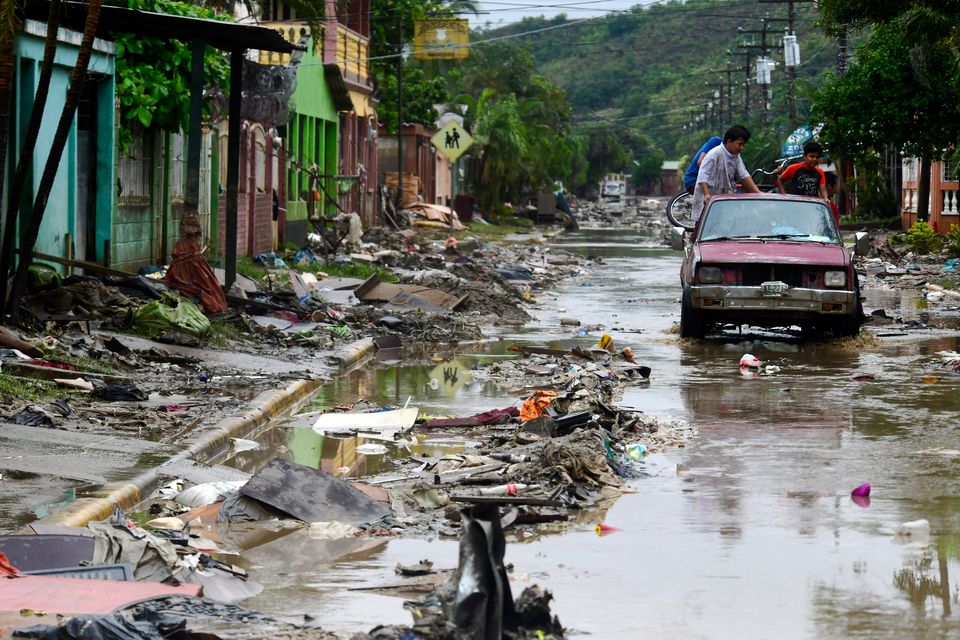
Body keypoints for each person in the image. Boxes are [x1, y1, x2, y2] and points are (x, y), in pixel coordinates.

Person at [692, 124, 761, 221]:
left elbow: (743, 174)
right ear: (729, 141)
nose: (742, 148)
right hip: (708, 196)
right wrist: (706, 193)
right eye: (740, 144)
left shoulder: (736, 157)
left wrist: (758, 193)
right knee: (705, 223)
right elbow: (703, 173)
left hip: (723, 197)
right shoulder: (714, 153)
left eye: (743, 145)